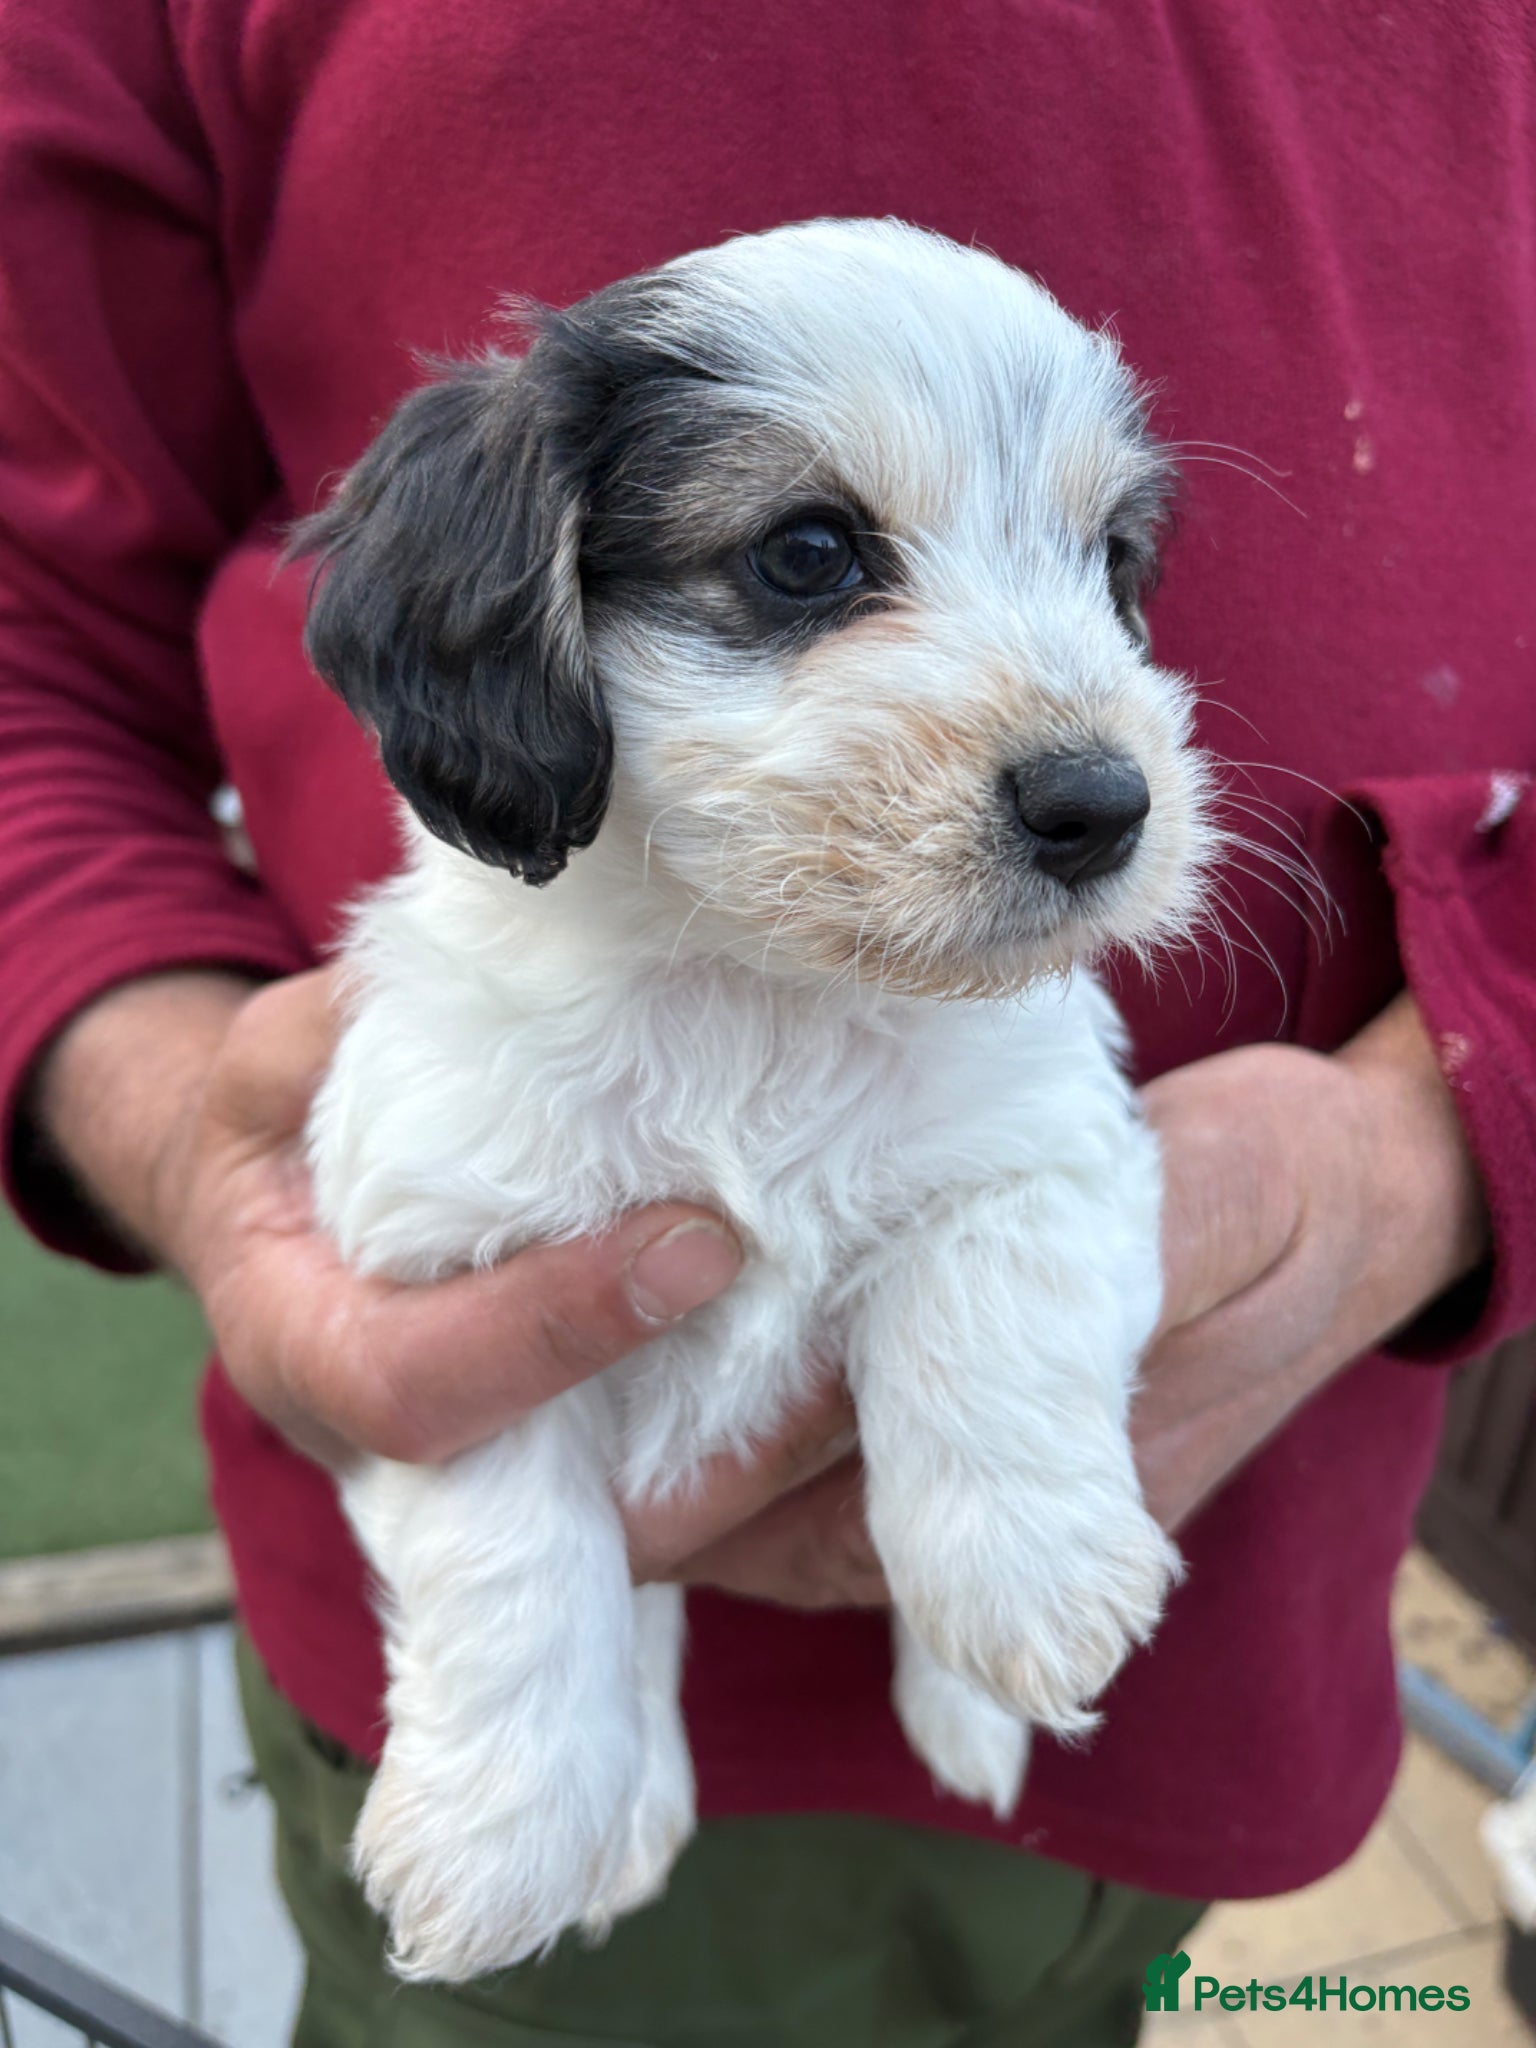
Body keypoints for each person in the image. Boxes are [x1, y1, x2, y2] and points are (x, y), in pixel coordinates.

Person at [0, 2, 1531, 2041]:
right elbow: (429, 1318)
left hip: (1226, 1654)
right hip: (588, 1870)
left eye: (1103, 555)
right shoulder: (470, 1023)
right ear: (529, 602)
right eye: (810, 560)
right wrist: (529, 1684)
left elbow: (1044, 1178)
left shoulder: (1007, 1036)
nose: (1088, 733)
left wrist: (1416, 1143)